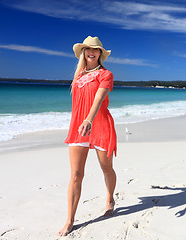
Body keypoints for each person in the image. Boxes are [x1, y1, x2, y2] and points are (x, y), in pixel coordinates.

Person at [58, 36, 117, 237]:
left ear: (100, 53)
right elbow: (77, 104)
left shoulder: (106, 74)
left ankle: (110, 198)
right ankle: (70, 220)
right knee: (76, 174)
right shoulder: (79, 76)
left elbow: (99, 99)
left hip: (99, 125)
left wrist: (89, 120)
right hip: (78, 127)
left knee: (106, 168)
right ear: (83, 53)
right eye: (87, 49)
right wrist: (80, 121)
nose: (91, 52)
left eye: (95, 49)